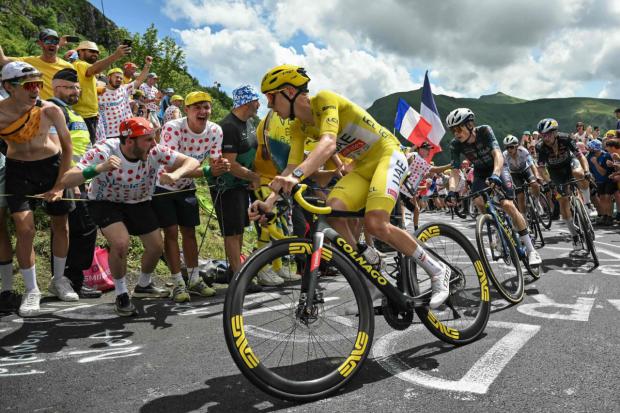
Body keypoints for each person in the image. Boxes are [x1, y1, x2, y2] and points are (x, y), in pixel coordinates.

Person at [250, 64, 451, 309]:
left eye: (271, 97)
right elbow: (290, 169)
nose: (269, 105)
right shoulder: (297, 127)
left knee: (375, 223)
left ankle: (437, 269)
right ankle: (372, 282)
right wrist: (268, 202)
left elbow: (328, 143)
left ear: (290, 92)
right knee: (333, 211)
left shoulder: (323, 100)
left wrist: (299, 174)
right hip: (362, 166)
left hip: (388, 155)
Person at [60, 117, 201, 316]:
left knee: (155, 247)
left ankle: (144, 285)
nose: (154, 144)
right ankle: (121, 293)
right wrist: (98, 169)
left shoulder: (154, 151)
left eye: (154, 138)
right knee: (120, 243)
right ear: (129, 141)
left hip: (138, 201)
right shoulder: (105, 149)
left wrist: (177, 175)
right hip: (106, 202)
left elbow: (192, 161)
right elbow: (67, 179)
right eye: (148, 139)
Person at [0, 62, 75, 316]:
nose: (36, 90)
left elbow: (68, 148)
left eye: (39, 84)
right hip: (18, 169)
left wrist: (60, 185)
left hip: (52, 166)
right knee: (24, 228)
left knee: (60, 223)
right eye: (29, 85)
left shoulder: (50, 110)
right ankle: (32, 290)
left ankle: (59, 279)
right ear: (8, 87)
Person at [153, 91, 229, 302]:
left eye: (206, 107)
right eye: (197, 107)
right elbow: (171, 163)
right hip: (163, 184)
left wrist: (221, 166)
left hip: (187, 186)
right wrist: (206, 171)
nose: (203, 111)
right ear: (187, 110)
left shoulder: (215, 130)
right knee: (170, 233)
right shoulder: (173, 127)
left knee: (189, 233)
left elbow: (215, 162)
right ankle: (178, 282)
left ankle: (194, 279)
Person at [444, 108, 542, 266]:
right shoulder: (455, 145)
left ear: (469, 125)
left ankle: (531, 250)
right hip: (480, 172)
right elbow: (455, 172)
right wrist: (452, 191)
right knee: (478, 201)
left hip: (498, 167)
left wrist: (496, 174)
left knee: (507, 205)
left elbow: (497, 154)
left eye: (459, 128)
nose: (456, 133)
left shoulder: (484, 131)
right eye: (453, 130)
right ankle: (496, 226)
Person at [47, 68, 101, 298]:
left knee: (82, 228)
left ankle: (73, 279)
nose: (75, 91)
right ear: (57, 88)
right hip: (68, 178)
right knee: (81, 226)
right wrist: (70, 179)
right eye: (70, 87)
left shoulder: (73, 112)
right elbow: (55, 146)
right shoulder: (54, 109)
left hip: (80, 178)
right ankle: (68, 279)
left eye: (77, 87)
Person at [209, 85, 262, 288]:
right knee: (231, 232)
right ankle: (239, 279)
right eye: (257, 101)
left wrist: (250, 177)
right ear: (248, 102)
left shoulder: (248, 123)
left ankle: (235, 271)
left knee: (239, 230)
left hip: (241, 185)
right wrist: (253, 177)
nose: (259, 105)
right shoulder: (229, 126)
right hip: (227, 186)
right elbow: (229, 164)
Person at [535, 118, 595, 250]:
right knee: (563, 202)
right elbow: (541, 167)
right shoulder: (540, 147)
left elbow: (581, 156)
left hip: (570, 164)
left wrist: (586, 171)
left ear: (555, 132)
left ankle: (588, 204)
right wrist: (549, 182)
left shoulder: (566, 138)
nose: (546, 137)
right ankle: (574, 236)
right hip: (555, 171)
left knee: (580, 174)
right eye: (543, 135)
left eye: (548, 134)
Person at [73, 40, 131, 144]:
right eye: (91, 51)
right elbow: (94, 70)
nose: (95, 54)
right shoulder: (80, 64)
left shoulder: (83, 69)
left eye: (97, 52)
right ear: (80, 52)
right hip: (85, 116)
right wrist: (116, 55)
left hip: (91, 115)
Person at [0, 29, 73, 100]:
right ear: (39, 43)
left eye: (55, 41)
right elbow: (2, 60)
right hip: (37, 109)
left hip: (60, 109)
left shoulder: (68, 67)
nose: (52, 44)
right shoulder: (28, 62)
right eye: (48, 41)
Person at [98, 56, 151, 139]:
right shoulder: (99, 92)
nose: (119, 79)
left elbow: (139, 80)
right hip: (108, 135)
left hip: (126, 132)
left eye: (120, 78)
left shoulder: (124, 89)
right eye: (116, 77)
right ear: (108, 78)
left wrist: (147, 65)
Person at [502, 134, 543, 215]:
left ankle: (537, 202)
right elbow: (505, 170)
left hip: (525, 170)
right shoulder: (505, 155)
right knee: (520, 196)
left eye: (511, 147)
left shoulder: (523, 151)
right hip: (514, 174)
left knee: (534, 184)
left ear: (516, 146)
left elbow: (532, 164)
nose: (509, 149)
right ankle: (524, 217)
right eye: (507, 147)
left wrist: (536, 175)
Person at [586, 140, 614, 225]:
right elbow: (589, 170)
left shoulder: (606, 155)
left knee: (607, 198)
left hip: (608, 180)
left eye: (590, 147)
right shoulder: (589, 156)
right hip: (598, 181)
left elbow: (603, 172)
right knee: (602, 198)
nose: (589, 149)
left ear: (595, 148)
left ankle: (609, 217)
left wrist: (595, 163)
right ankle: (604, 216)